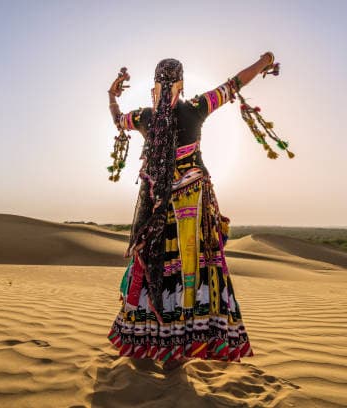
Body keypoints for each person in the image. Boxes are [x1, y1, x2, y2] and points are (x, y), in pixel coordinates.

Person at [106, 52, 276, 370]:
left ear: (154, 85)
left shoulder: (144, 118)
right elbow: (233, 84)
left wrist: (112, 96)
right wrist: (264, 61)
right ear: (181, 84)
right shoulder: (197, 108)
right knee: (191, 271)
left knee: (152, 265)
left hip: (154, 209)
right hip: (191, 209)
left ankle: (147, 339)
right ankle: (185, 339)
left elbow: (118, 120)